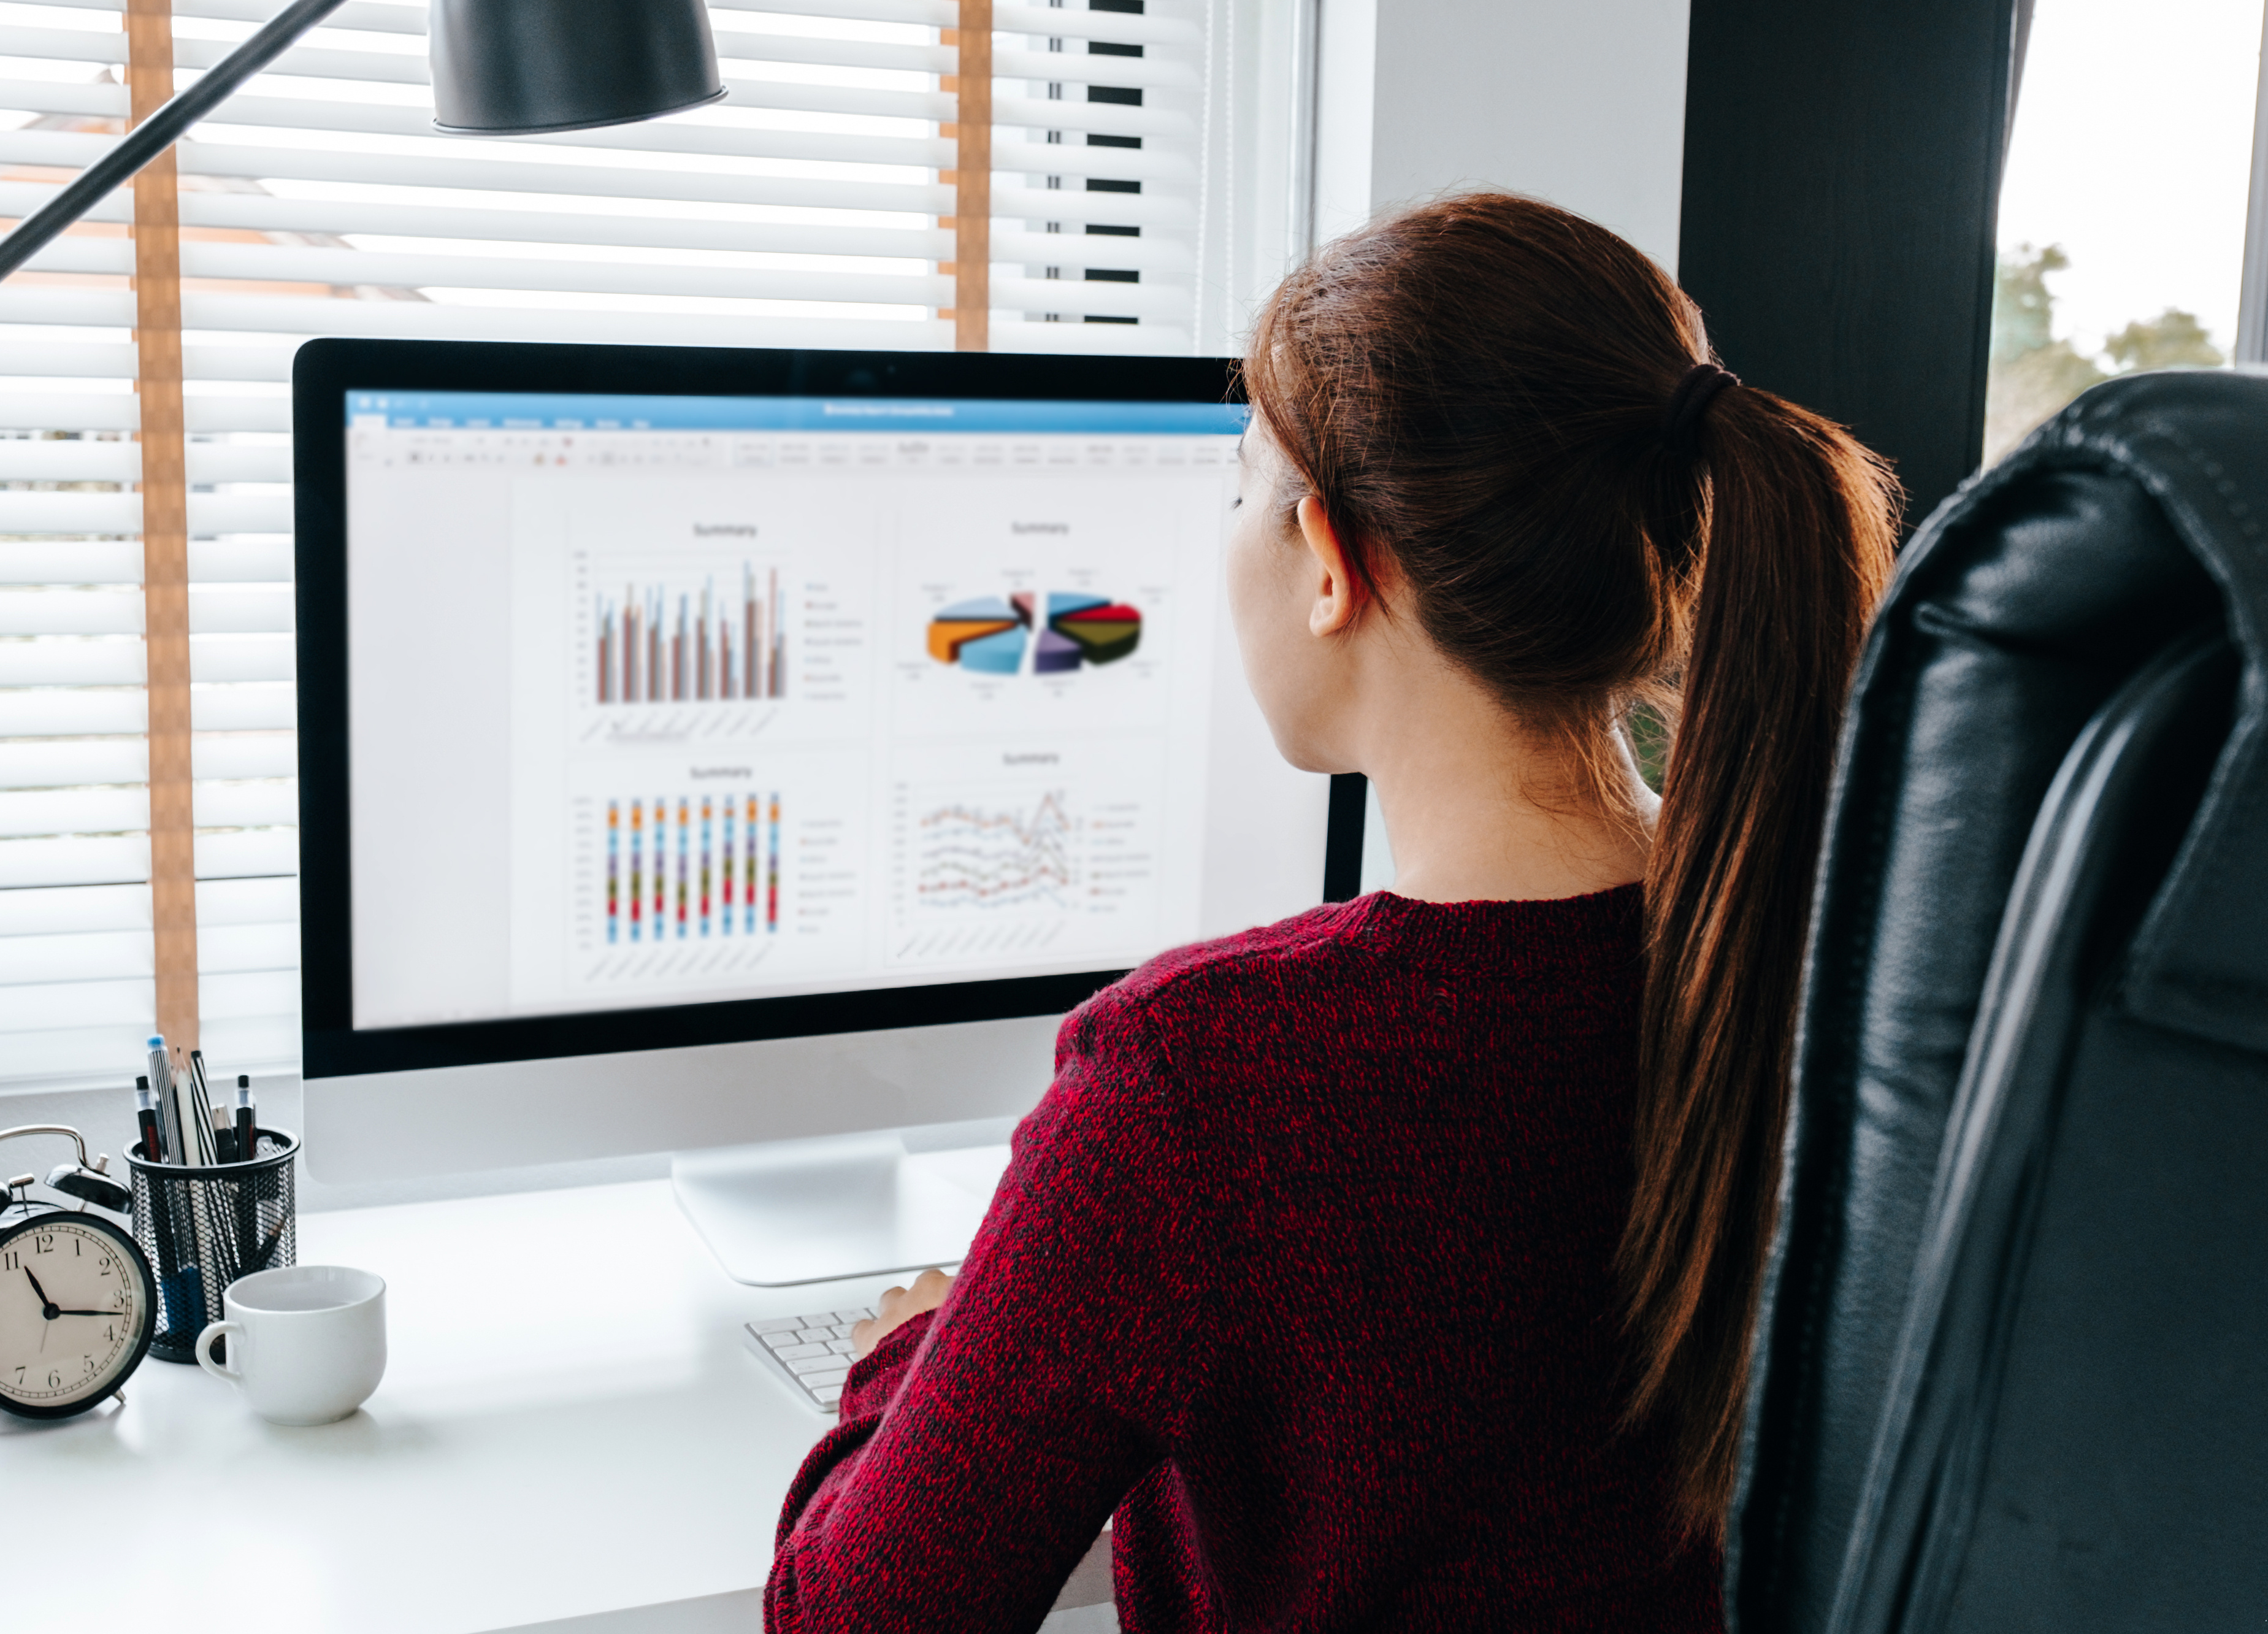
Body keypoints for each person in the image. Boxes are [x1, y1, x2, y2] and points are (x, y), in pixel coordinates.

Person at [766, 193, 1898, 1632]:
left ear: (1326, 559)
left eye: (1238, 486)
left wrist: (906, 1355)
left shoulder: (1201, 1078)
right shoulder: (1822, 966)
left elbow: (856, 1615)